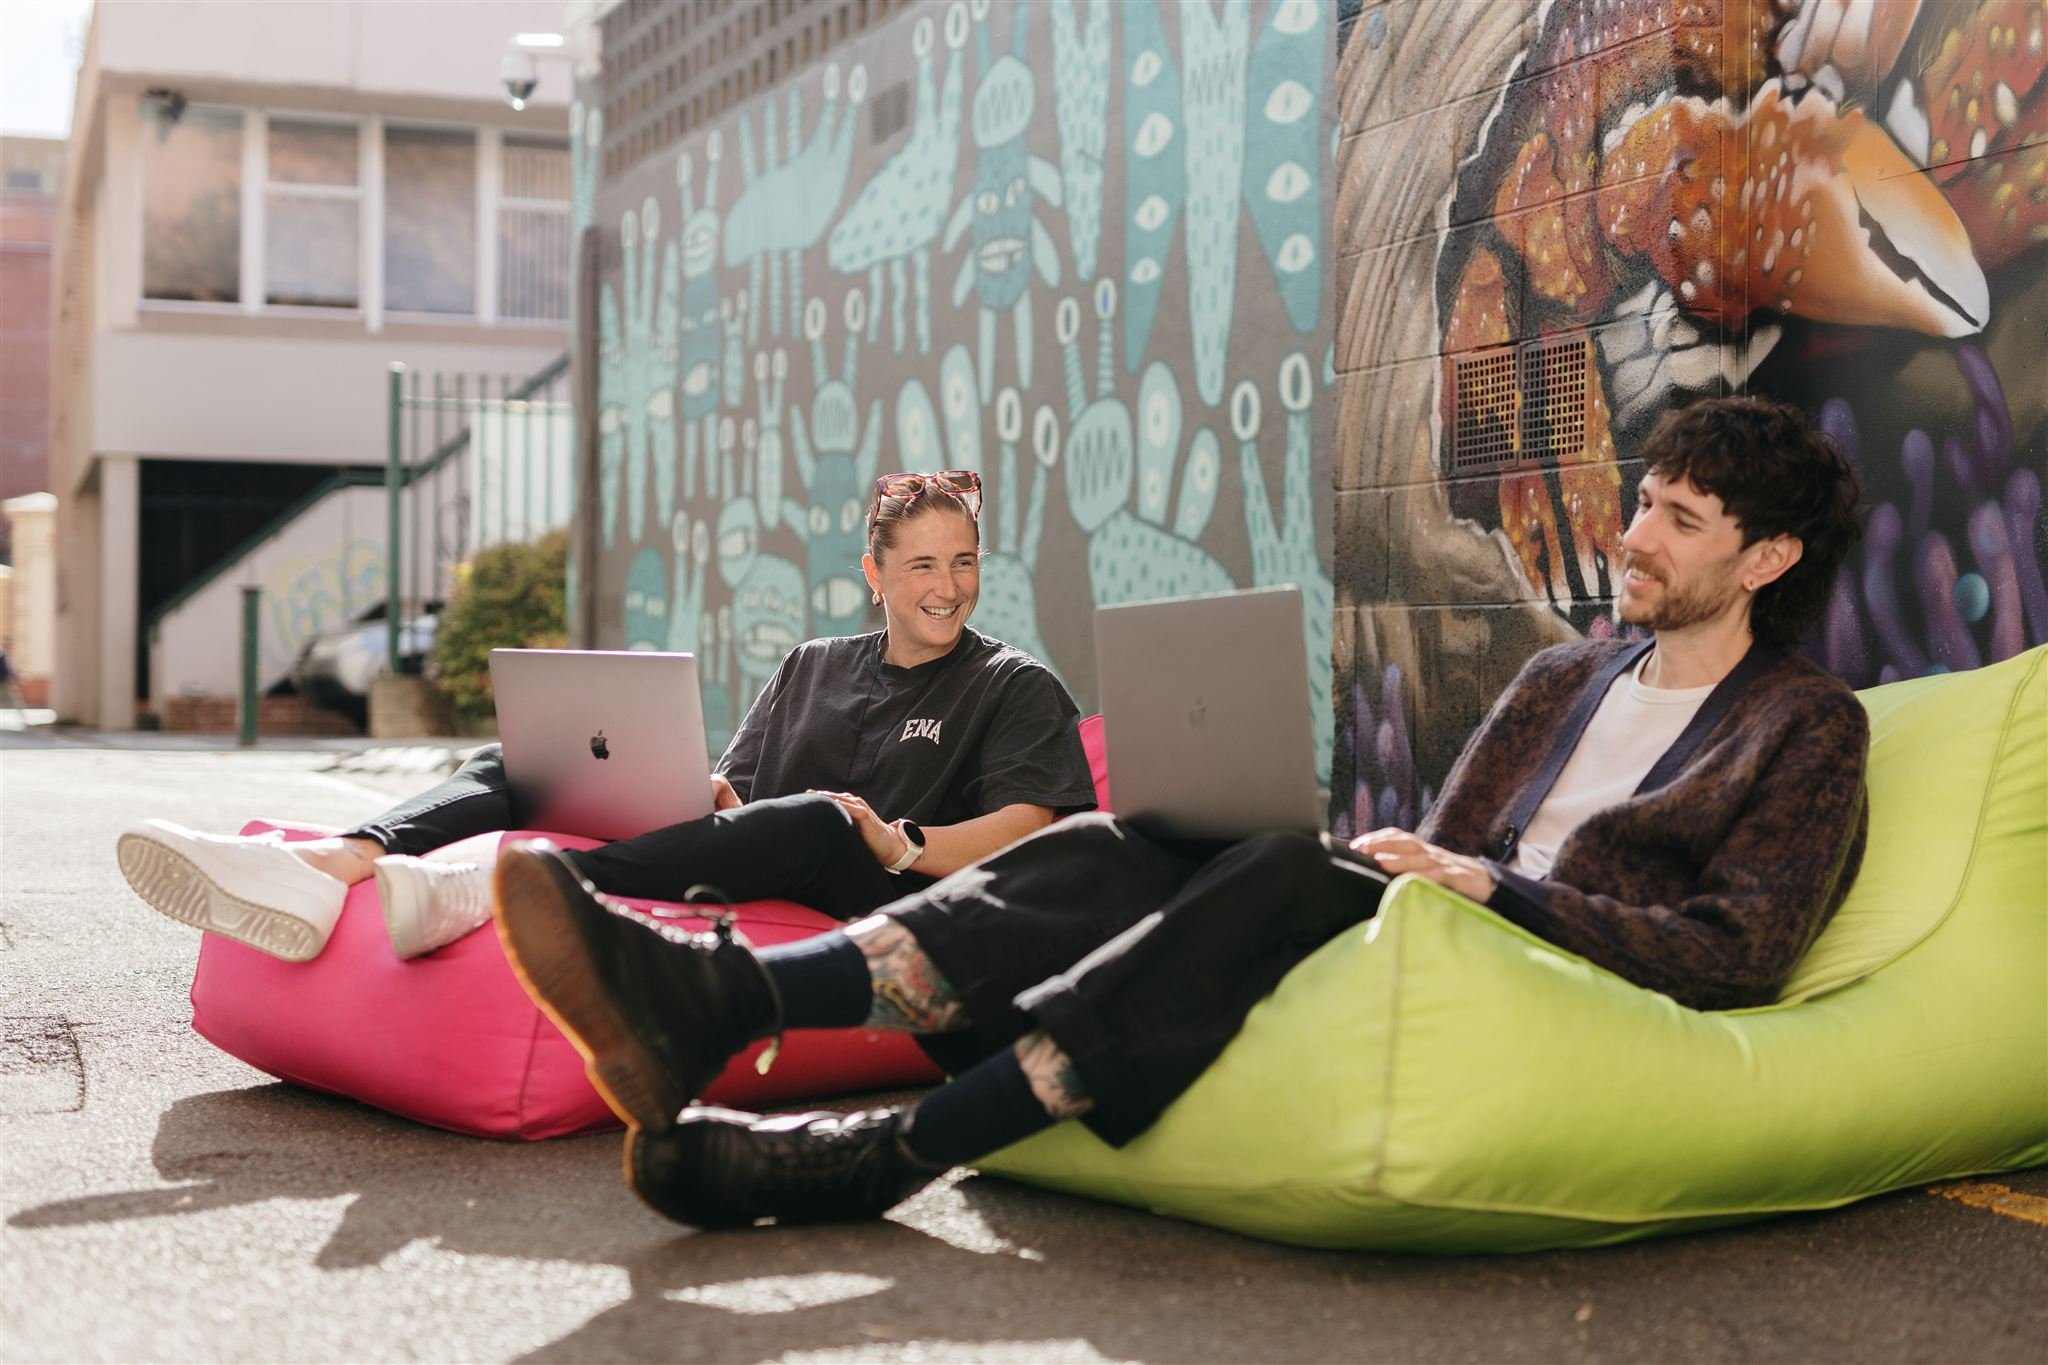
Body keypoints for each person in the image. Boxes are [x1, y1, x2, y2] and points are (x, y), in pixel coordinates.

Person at [488, 394, 1872, 1229]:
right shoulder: (1566, 673)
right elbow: (1452, 844)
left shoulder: (1804, 725)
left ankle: (881, 1155)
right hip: (1460, 931)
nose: (1634, 534)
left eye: (1680, 520)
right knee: (1123, 837)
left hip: (1559, 970)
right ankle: (732, 1000)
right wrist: (1439, 868)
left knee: (1277, 871)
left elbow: (1740, 948)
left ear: (1767, 557)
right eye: (1643, 500)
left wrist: (1499, 893)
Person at [118, 466, 1097, 1030]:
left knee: (816, 822)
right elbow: (730, 793)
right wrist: (667, 784)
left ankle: (493, 891)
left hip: (881, 892)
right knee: (527, 760)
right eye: (922, 563)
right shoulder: (812, 663)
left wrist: (895, 843)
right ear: (872, 573)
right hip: (759, 857)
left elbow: (1028, 830)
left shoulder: (1010, 684)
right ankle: (338, 858)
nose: (946, 585)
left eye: (962, 562)